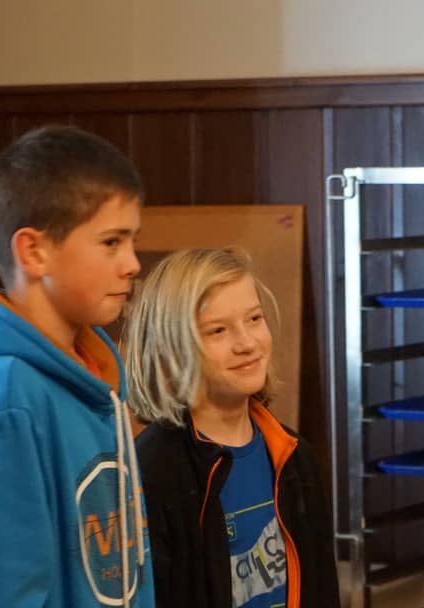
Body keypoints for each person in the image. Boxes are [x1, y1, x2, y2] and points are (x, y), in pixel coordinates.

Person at [0, 126, 154, 607]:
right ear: (33, 251)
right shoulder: (6, 395)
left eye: (132, 241)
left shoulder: (93, 372)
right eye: (111, 242)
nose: (132, 263)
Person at [123, 247, 340, 608]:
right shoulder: (151, 471)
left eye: (254, 318)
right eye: (218, 330)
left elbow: (322, 588)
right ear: (171, 349)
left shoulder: (293, 454)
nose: (247, 343)